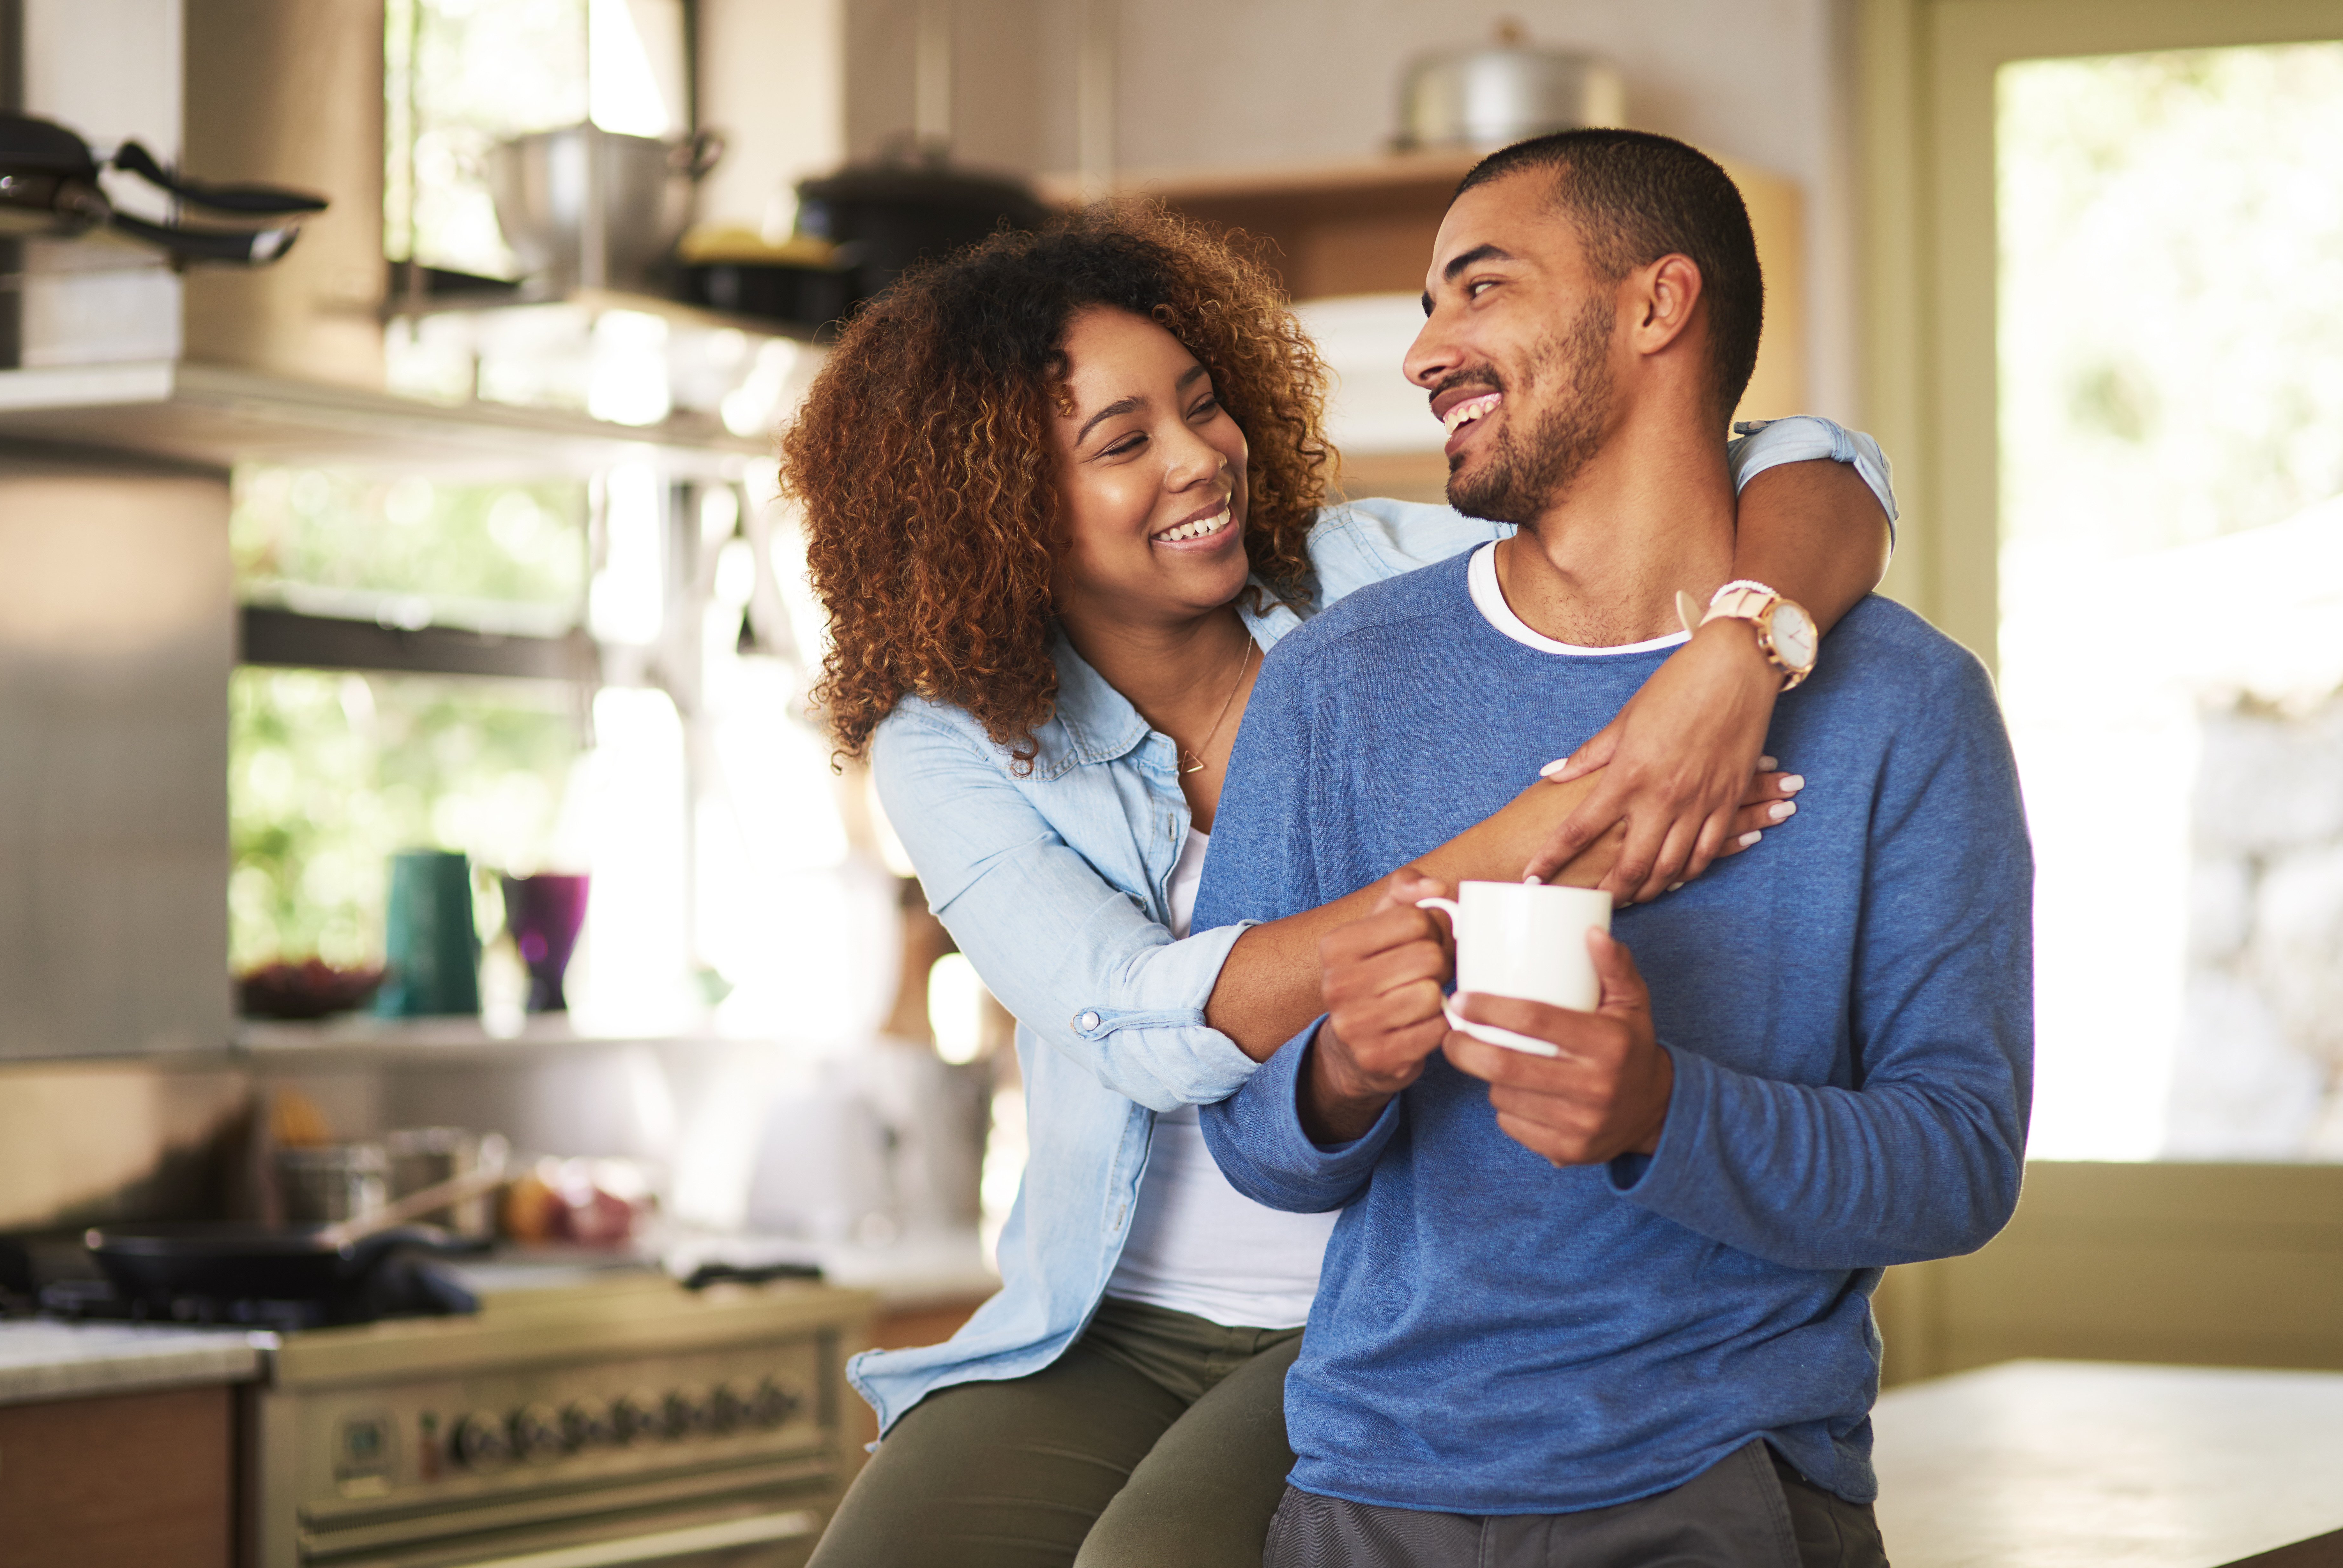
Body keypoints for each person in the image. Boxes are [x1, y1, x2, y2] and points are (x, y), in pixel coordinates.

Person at [783, 203, 1900, 1568]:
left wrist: (1736, 653)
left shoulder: (1378, 575)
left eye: (1202, 404)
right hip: (1102, 1320)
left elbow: (1813, 465)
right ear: (998, 509)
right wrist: (1551, 828)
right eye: (1125, 443)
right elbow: (1132, 1017)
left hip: (1374, 1311)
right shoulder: (949, 742)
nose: (1201, 457)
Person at [1194, 130, 2032, 1568]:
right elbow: (1255, 1147)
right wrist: (1341, 1072)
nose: (1426, 353)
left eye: (1480, 288)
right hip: (1366, 1491)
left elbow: (1958, 1162)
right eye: (1426, 308)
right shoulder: (1334, 684)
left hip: (1720, 1486)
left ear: (1658, 305)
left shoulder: (1906, 703)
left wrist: (1659, 1108)